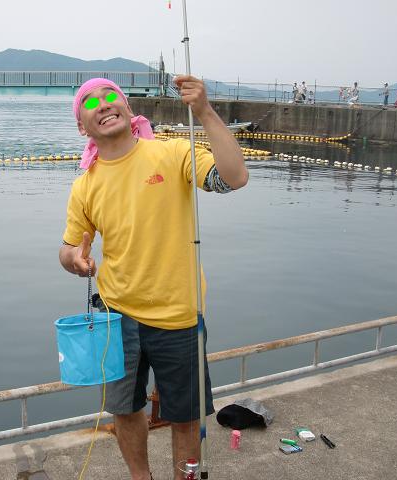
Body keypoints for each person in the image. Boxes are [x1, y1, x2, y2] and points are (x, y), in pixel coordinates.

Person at [59, 76, 248, 480]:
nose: (103, 104)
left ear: (128, 109)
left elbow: (233, 178)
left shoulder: (172, 152)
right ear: (81, 126)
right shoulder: (85, 185)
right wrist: (74, 259)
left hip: (178, 314)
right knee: (124, 409)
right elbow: (69, 247)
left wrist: (205, 112)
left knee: (185, 416)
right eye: (90, 103)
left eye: (111, 96)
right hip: (115, 316)